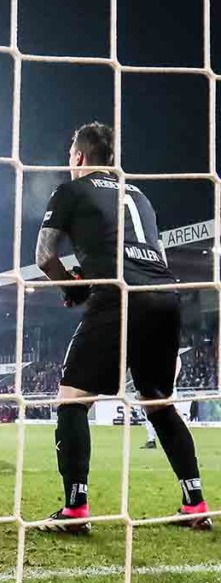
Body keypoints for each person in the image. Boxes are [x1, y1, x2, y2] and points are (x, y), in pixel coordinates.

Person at [35, 121, 210, 532]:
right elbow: (152, 254)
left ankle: (76, 510)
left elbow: (44, 255)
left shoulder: (71, 189)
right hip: (166, 297)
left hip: (120, 296)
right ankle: (195, 504)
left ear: (78, 157)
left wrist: (72, 288)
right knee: (158, 402)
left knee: (72, 401)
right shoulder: (140, 195)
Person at [143, 355, 183, 450]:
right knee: (150, 412)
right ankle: (151, 439)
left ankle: (180, 436)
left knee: (173, 411)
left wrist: (173, 380)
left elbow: (178, 362)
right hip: (154, 387)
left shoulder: (169, 351)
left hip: (166, 387)